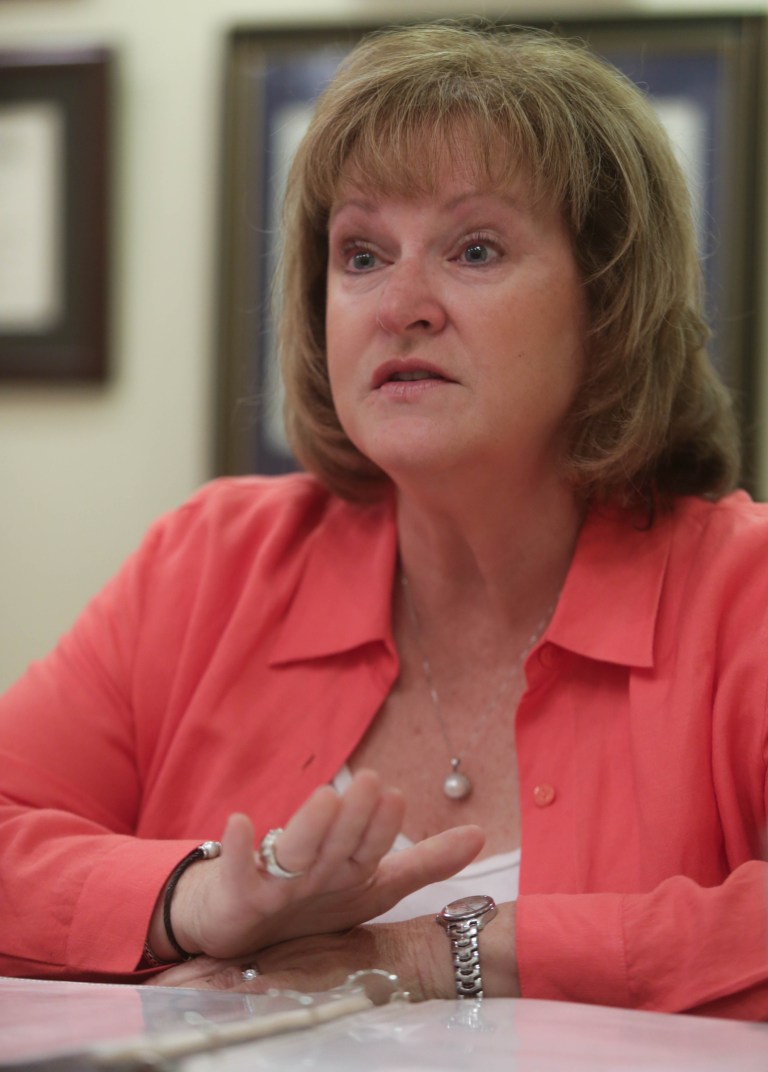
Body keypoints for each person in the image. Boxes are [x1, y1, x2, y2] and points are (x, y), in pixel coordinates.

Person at [0, 19, 766, 1019]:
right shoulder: (212, 562)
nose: (400, 303)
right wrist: (194, 898)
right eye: (361, 253)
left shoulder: (741, 591)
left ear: (608, 304)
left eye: (475, 248)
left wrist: (435, 954)